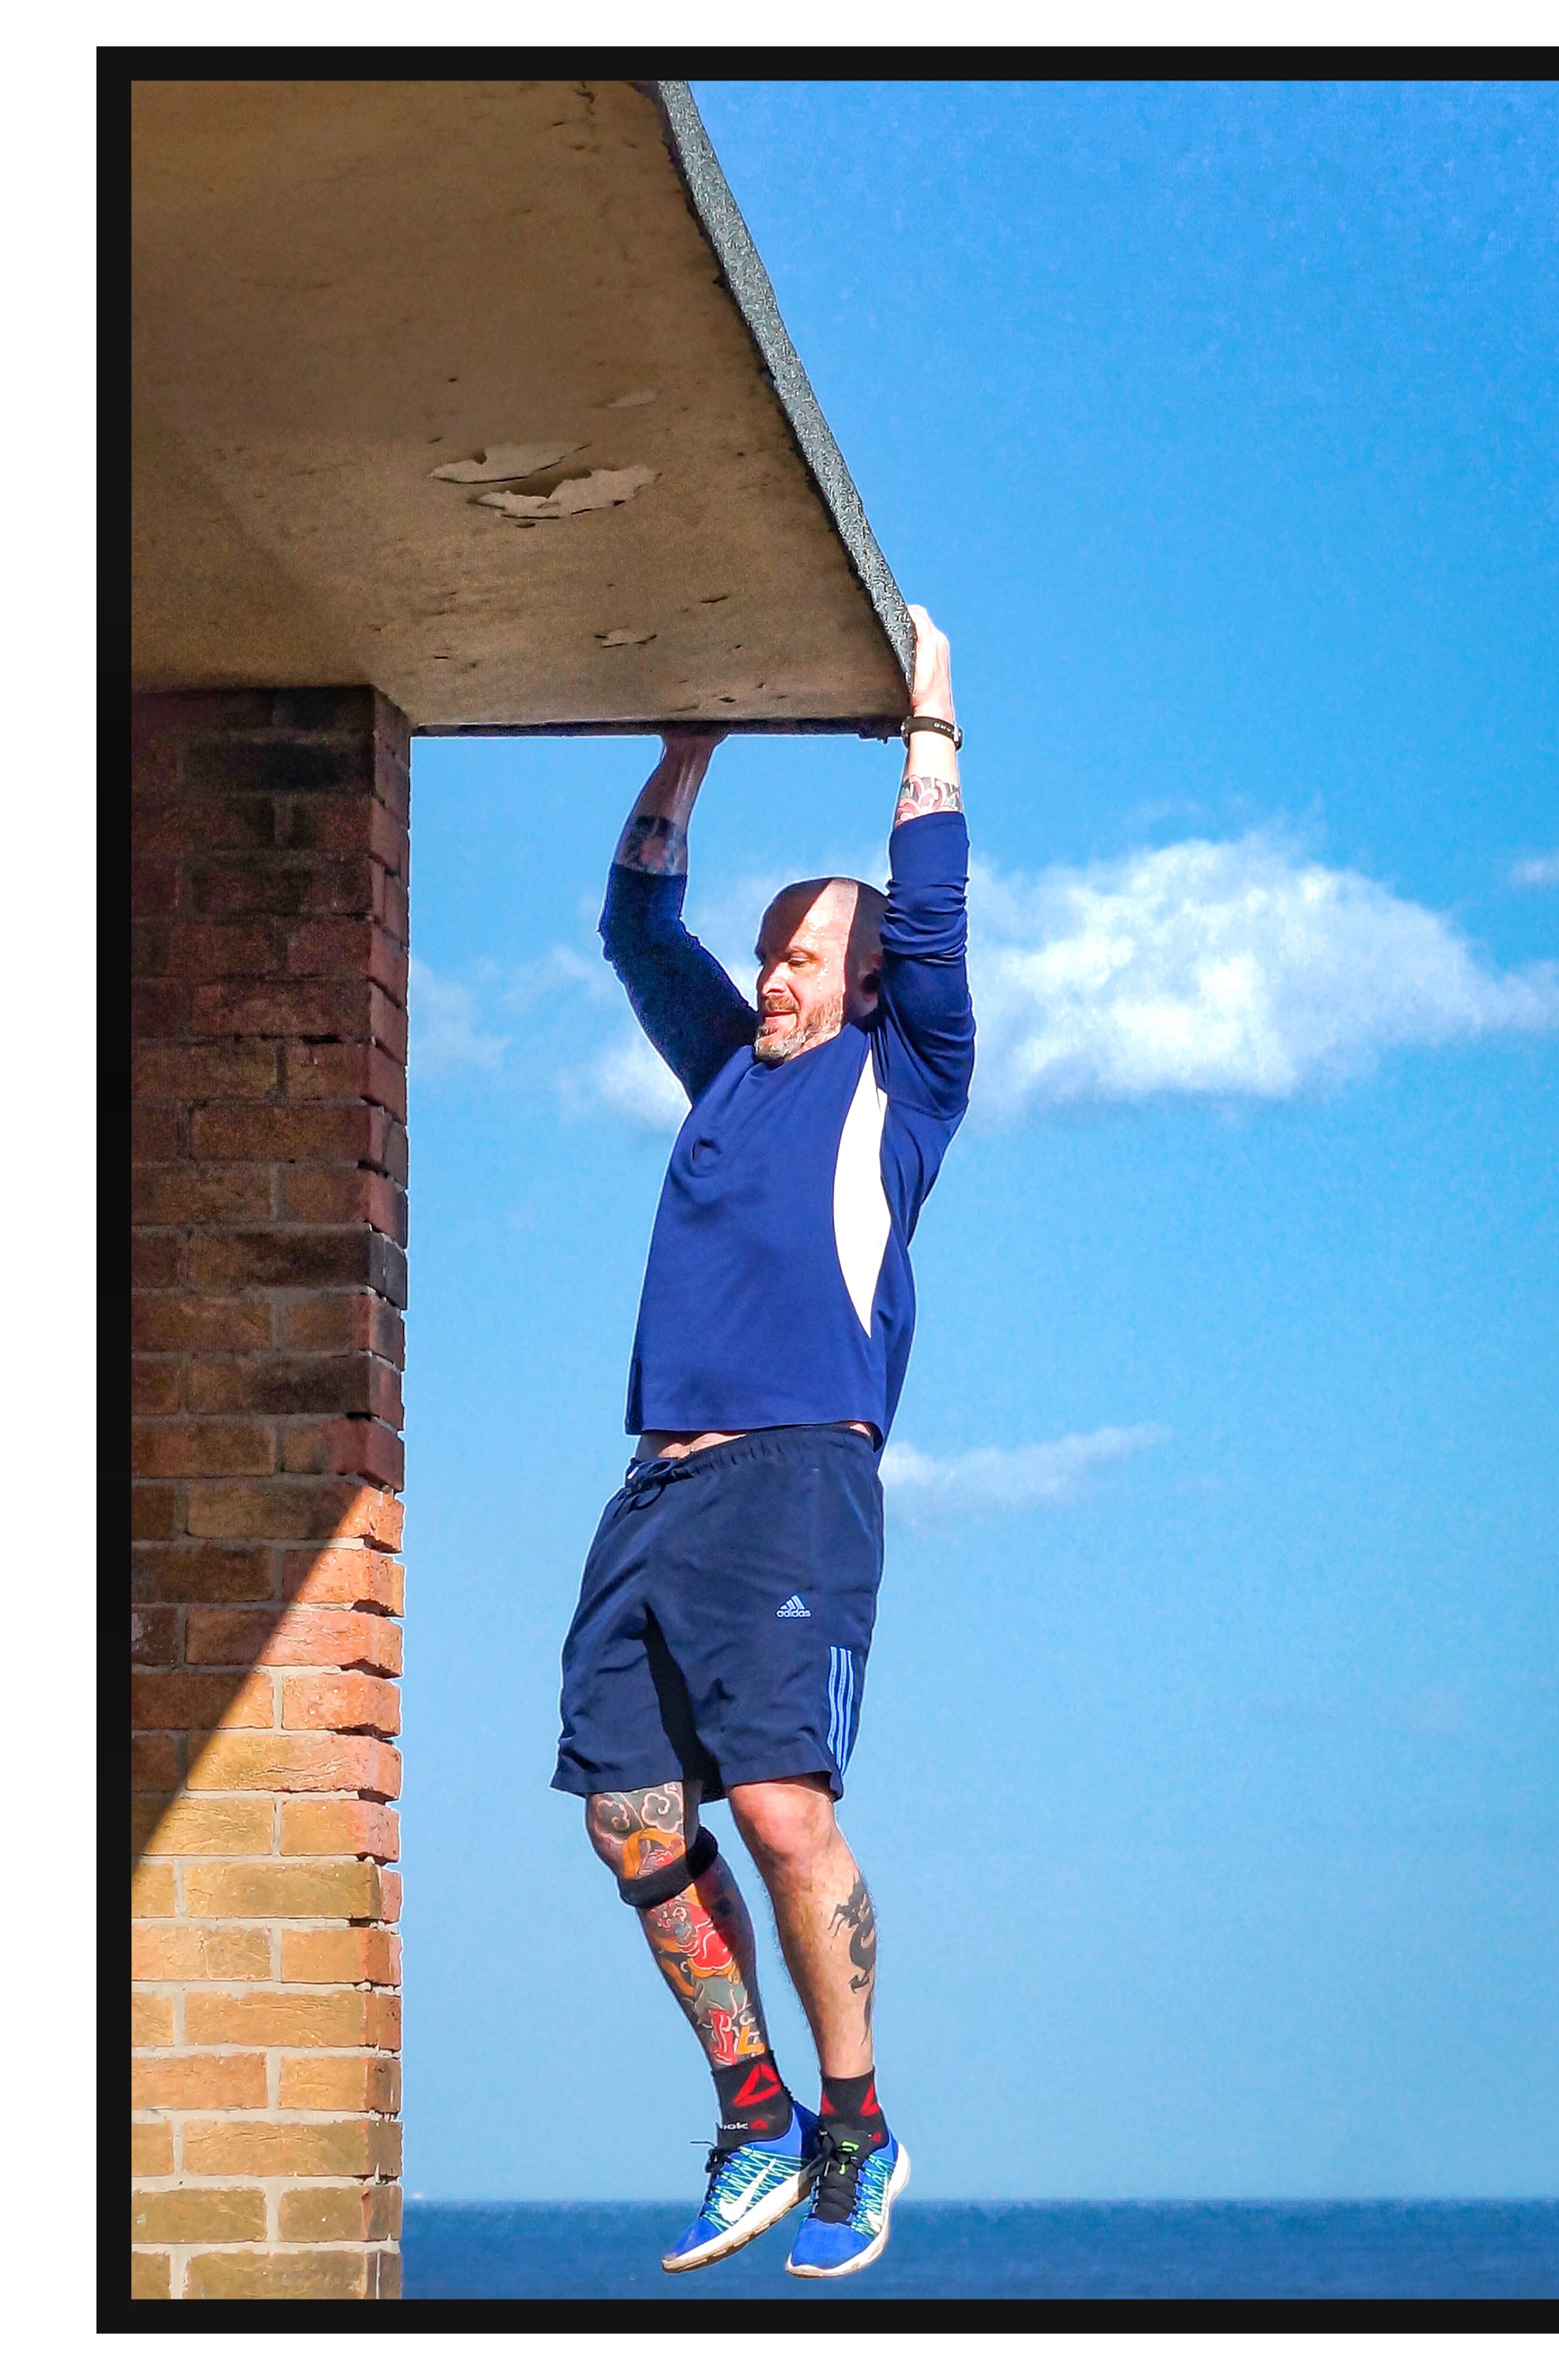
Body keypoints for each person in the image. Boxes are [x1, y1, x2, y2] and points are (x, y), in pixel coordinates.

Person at [550, 607, 973, 2280]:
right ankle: (757, 2119)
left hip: (798, 1479)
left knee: (787, 1812)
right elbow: (634, 921)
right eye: (772, 949)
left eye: (801, 950)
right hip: (653, 1484)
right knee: (636, 1820)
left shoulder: (906, 1081)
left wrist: (930, 726)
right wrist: (691, 747)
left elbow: (931, 918)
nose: (772, 967)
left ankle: (859, 2128)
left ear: (865, 980)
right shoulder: (726, 1068)